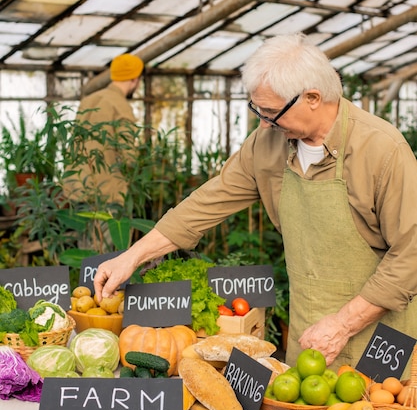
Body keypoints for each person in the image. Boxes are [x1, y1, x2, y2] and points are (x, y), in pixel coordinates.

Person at [93, 33, 417, 372]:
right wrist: (132, 256)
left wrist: (342, 325)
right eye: (257, 109)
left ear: (312, 98)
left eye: (272, 112)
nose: (263, 122)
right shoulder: (267, 143)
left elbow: (410, 255)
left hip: (380, 336)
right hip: (310, 333)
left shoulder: (381, 150)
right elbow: (207, 203)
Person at [64, 52, 144, 206]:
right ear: (135, 79)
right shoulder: (120, 106)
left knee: (84, 230)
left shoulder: (88, 100)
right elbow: (128, 155)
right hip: (106, 191)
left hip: (77, 186)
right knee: (107, 230)